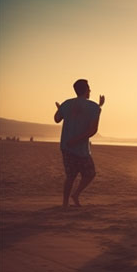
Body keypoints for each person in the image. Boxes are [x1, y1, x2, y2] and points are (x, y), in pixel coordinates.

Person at [54, 79, 105, 209]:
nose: (90, 91)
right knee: (89, 174)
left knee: (71, 176)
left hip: (67, 146)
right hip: (80, 148)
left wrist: (60, 109)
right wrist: (99, 107)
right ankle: (73, 197)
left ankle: (67, 202)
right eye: (89, 89)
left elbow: (57, 119)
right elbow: (93, 130)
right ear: (86, 90)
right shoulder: (93, 107)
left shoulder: (67, 103)